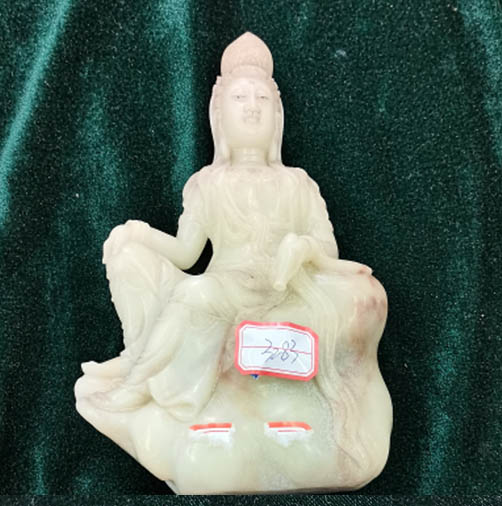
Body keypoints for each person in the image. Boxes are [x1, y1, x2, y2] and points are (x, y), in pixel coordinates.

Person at [81, 32, 382, 423]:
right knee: (130, 258)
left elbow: (328, 249)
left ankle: (138, 384)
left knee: (197, 294)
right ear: (219, 114)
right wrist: (137, 234)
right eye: (240, 98)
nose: (252, 108)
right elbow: (186, 253)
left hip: (280, 289)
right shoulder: (207, 182)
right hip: (223, 285)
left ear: (277, 115)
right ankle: (139, 360)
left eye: (262, 100)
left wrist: (303, 247)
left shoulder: (297, 183)